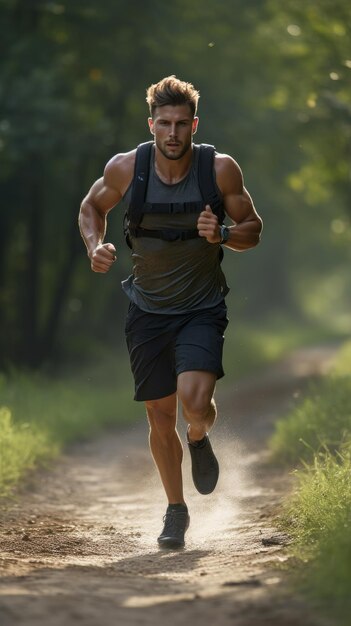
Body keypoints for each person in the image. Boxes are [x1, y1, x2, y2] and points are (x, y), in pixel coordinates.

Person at [78, 75, 263, 549]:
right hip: (147, 310)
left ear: (194, 124)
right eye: (165, 123)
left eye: (182, 123)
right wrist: (95, 245)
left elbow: (252, 228)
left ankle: (199, 438)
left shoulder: (219, 170)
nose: (174, 133)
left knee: (194, 405)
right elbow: (90, 207)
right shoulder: (126, 168)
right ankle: (176, 510)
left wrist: (221, 233)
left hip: (201, 307)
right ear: (152, 125)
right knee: (160, 418)